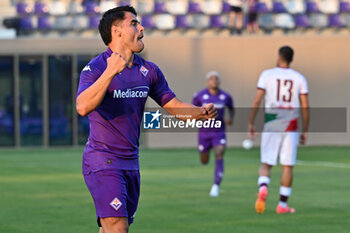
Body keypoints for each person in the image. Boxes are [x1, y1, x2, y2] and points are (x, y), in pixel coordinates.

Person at [76, 6, 218, 233]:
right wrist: (110, 72)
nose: (141, 28)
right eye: (133, 23)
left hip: (131, 162)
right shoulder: (96, 68)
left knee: (111, 229)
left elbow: (175, 107)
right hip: (103, 161)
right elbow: (82, 106)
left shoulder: (149, 70)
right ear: (117, 31)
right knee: (117, 228)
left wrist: (200, 112)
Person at [248, 46, 309, 214]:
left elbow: (257, 100)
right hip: (291, 123)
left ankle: (263, 186)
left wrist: (251, 122)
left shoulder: (267, 75)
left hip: (272, 121)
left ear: (278, 56)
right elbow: (305, 106)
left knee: (266, 162)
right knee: (287, 166)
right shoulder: (299, 78)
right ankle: (282, 205)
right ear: (291, 59)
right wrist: (305, 130)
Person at [192, 71, 234, 197]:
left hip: (218, 133)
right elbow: (192, 110)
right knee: (204, 161)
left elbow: (232, 109)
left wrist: (230, 118)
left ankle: (216, 186)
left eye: (216, 79)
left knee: (219, 153)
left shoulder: (225, 96)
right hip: (204, 134)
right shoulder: (199, 96)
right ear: (207, 82)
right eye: (211, 79)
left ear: (219, 82)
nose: (214, 81)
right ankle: (205, 156)